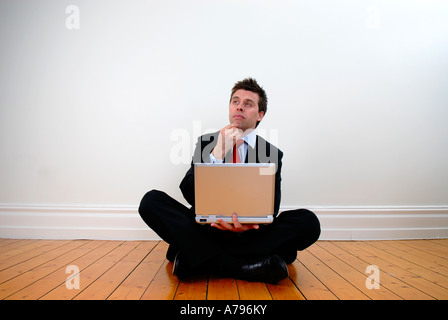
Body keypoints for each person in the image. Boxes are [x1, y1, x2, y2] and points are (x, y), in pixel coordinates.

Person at [138, 78, 320, 283]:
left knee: (308, 222)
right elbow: (189, 192)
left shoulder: (272, 153)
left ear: (260, 115)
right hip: (208, 228)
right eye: (235, 101)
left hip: (250, 233)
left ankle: (200, 257)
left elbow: (272, 208)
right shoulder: (207, 143)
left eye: (248, 103)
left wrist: (245, 224)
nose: (240, 106)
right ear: (230, 108)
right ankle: (244, 266)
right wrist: (217, 153)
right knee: (151, 201)